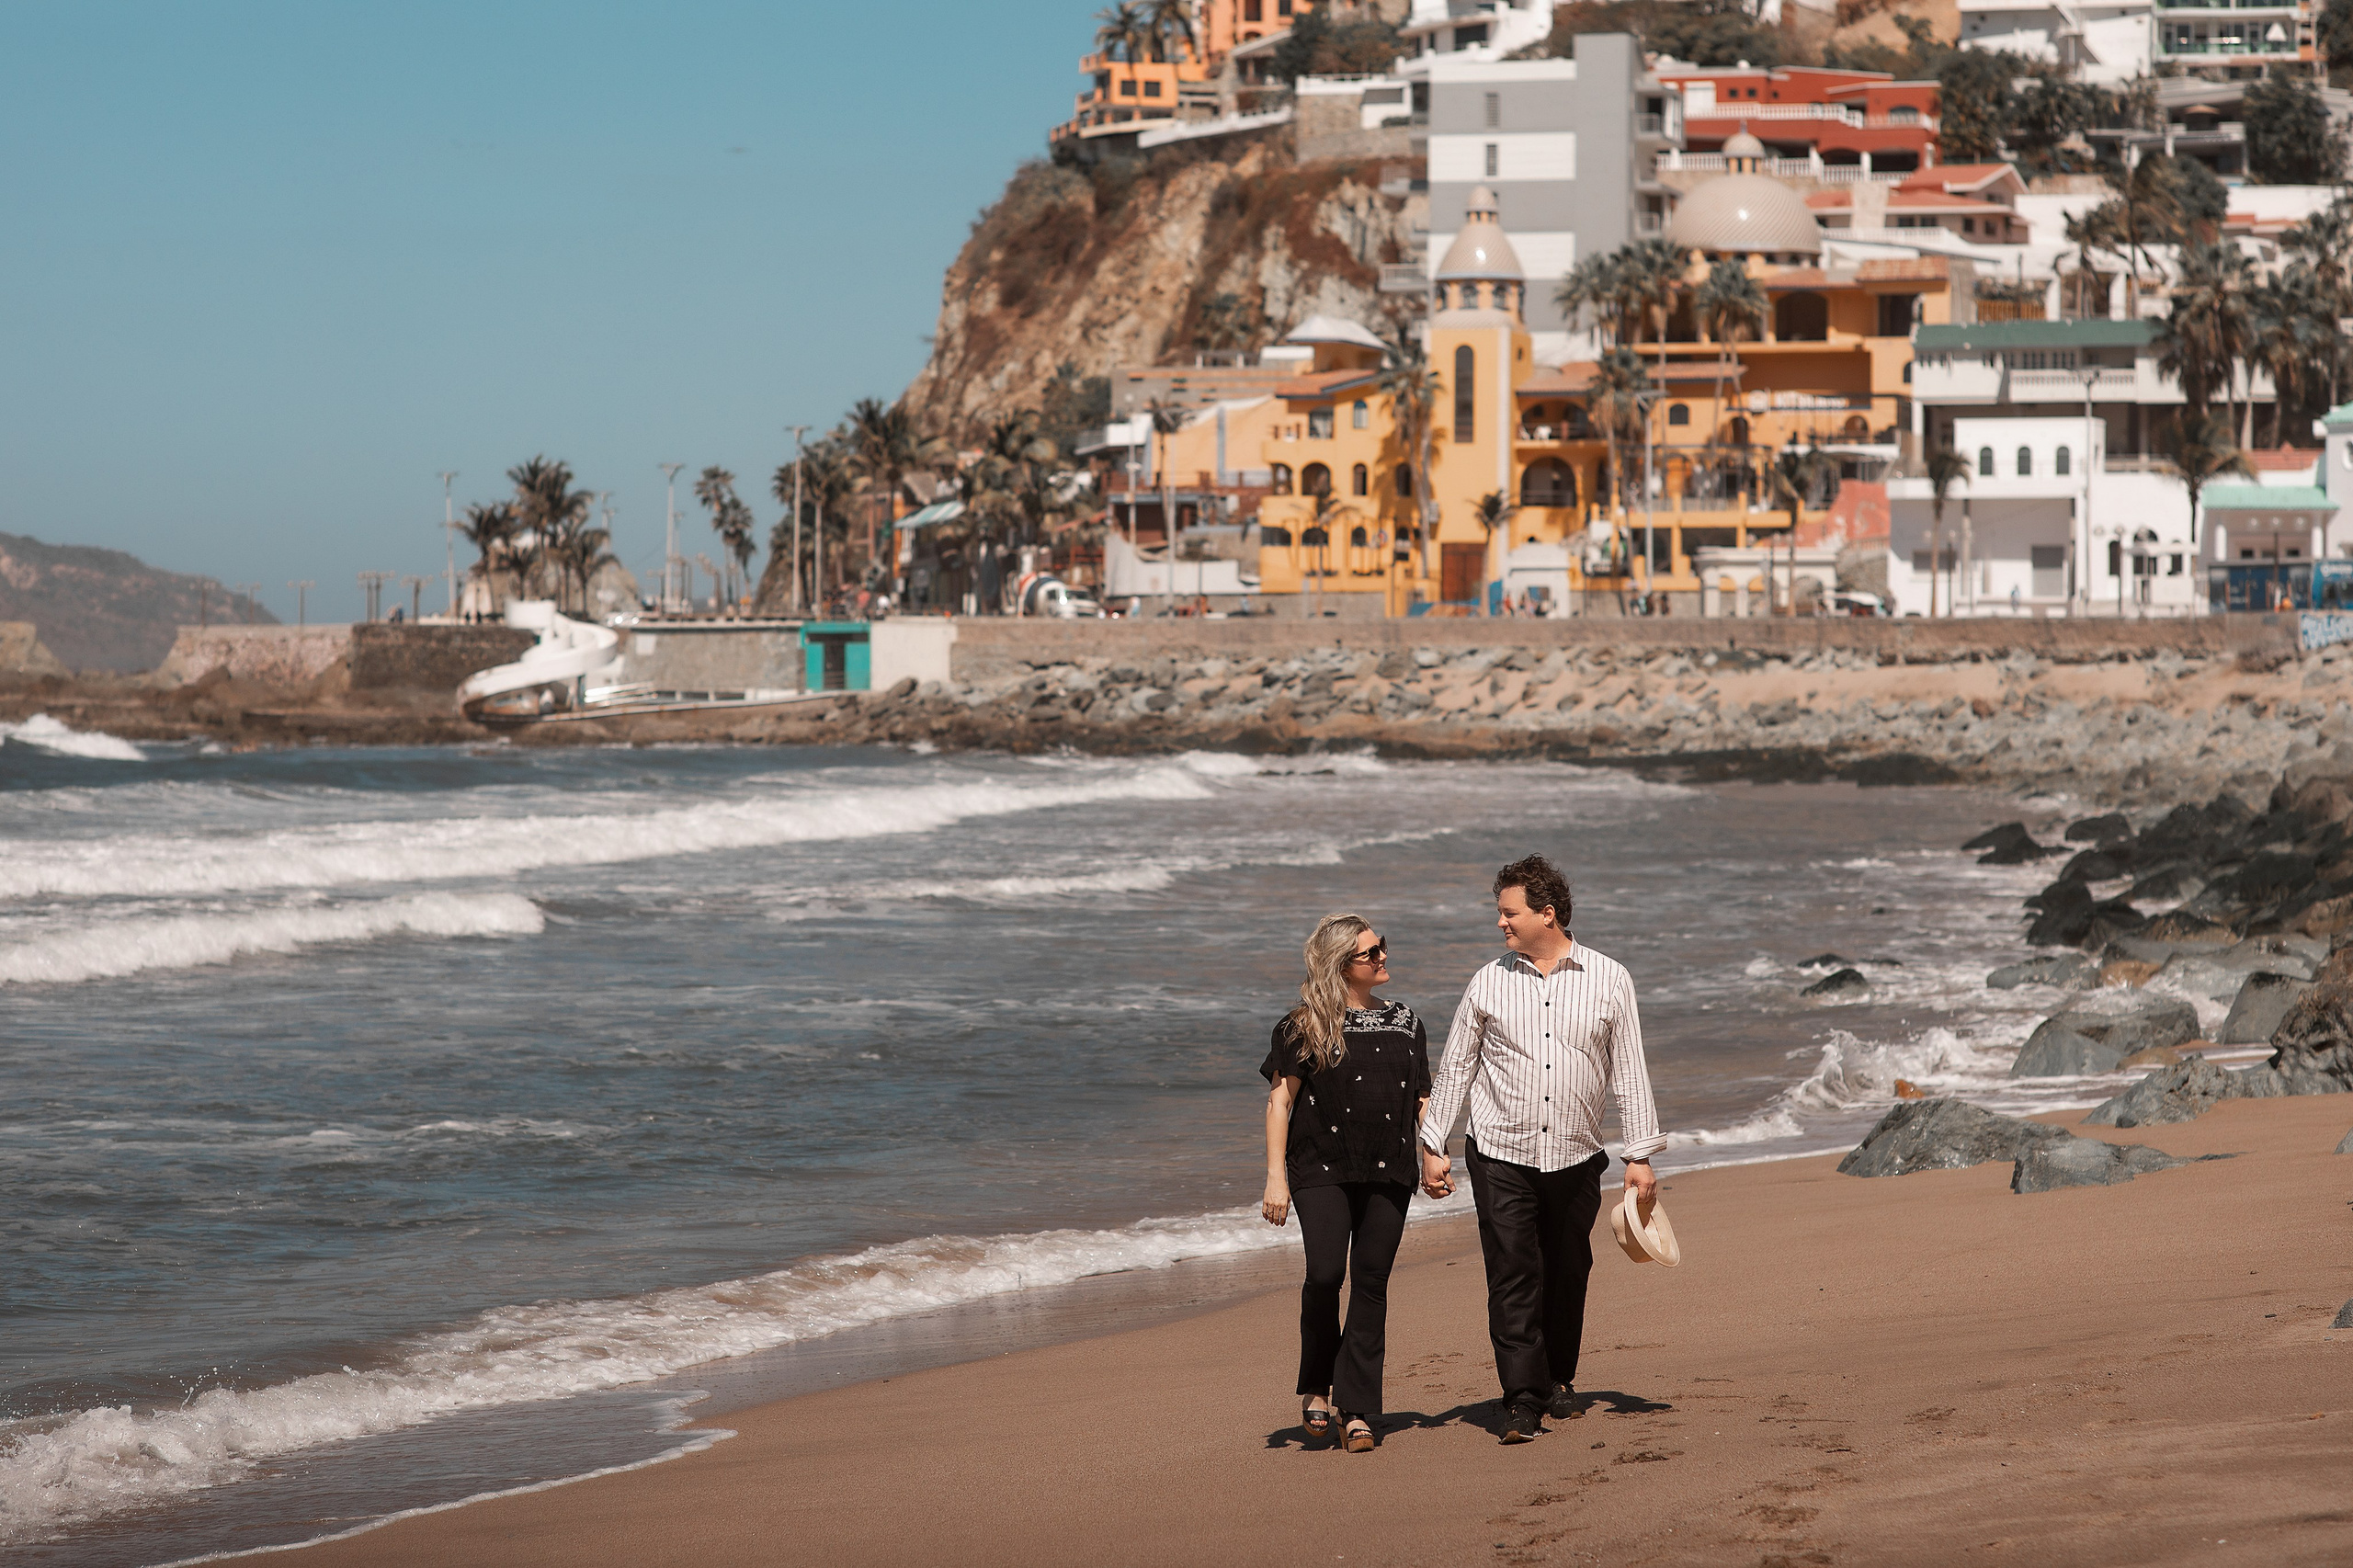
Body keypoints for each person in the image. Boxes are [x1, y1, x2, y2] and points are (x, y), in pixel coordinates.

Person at [1418, 856, 1664, 1445]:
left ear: (1546, 914)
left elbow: (1629, 1069)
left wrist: (1640, 1154)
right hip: (1500, 1152)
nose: (1501, 924)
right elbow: (1456, 1067)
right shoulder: (1488, 980)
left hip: (1578, 1155)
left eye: (1510, 913)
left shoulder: (1610, 978)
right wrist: (1433, 1146)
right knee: (1512, 1274)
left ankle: (1558, 1378)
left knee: (1567, 1269)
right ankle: (1521, 1397)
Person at [1261, 915, 1431, 1453]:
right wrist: (1274, 1180)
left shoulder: (1407, 1021)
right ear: (1340, 965)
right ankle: (1316, 1385)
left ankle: (1356, 1409)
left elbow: (1423, 1098)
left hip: (1390, 1166)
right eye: (1369, 952)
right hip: (1320, 1168)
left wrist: (1435, 1155)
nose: (1382, 957)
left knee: (1372, 1281)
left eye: (1382, 947)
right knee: (1326, 1273)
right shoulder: (1302, 1025)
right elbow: (1280, 1101)